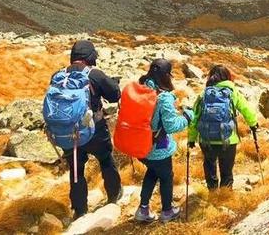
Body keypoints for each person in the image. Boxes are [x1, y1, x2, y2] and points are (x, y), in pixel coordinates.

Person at [56, 40, 122, 220]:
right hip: (93, 130)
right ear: (90, 57)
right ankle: (113, 196)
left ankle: (80, 210)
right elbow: (115, 95)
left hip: (68, 133)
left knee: (76, 168)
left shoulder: (59, 75)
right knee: (106, 159)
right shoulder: (95, 74)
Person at [134, 59, 193, 224]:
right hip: (157, 148)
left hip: (139, 145)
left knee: (152, 172)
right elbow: (171, 126)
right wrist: (188, 117)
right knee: (166, 176)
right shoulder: (163, 96)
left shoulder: (141, 87)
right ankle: (167, 211)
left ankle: (143, 209)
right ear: (166, 75)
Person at [188, 65, 258, 190]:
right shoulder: (232, 92)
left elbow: (194, 118)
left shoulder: (204, 94)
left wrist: (191, 138)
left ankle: (212, 190)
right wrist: (253, 123)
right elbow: (246, 109)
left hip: (206, 139)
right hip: (228, 139)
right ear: (227, 77)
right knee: (226, 167)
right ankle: (225, 193)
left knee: (209, 164)